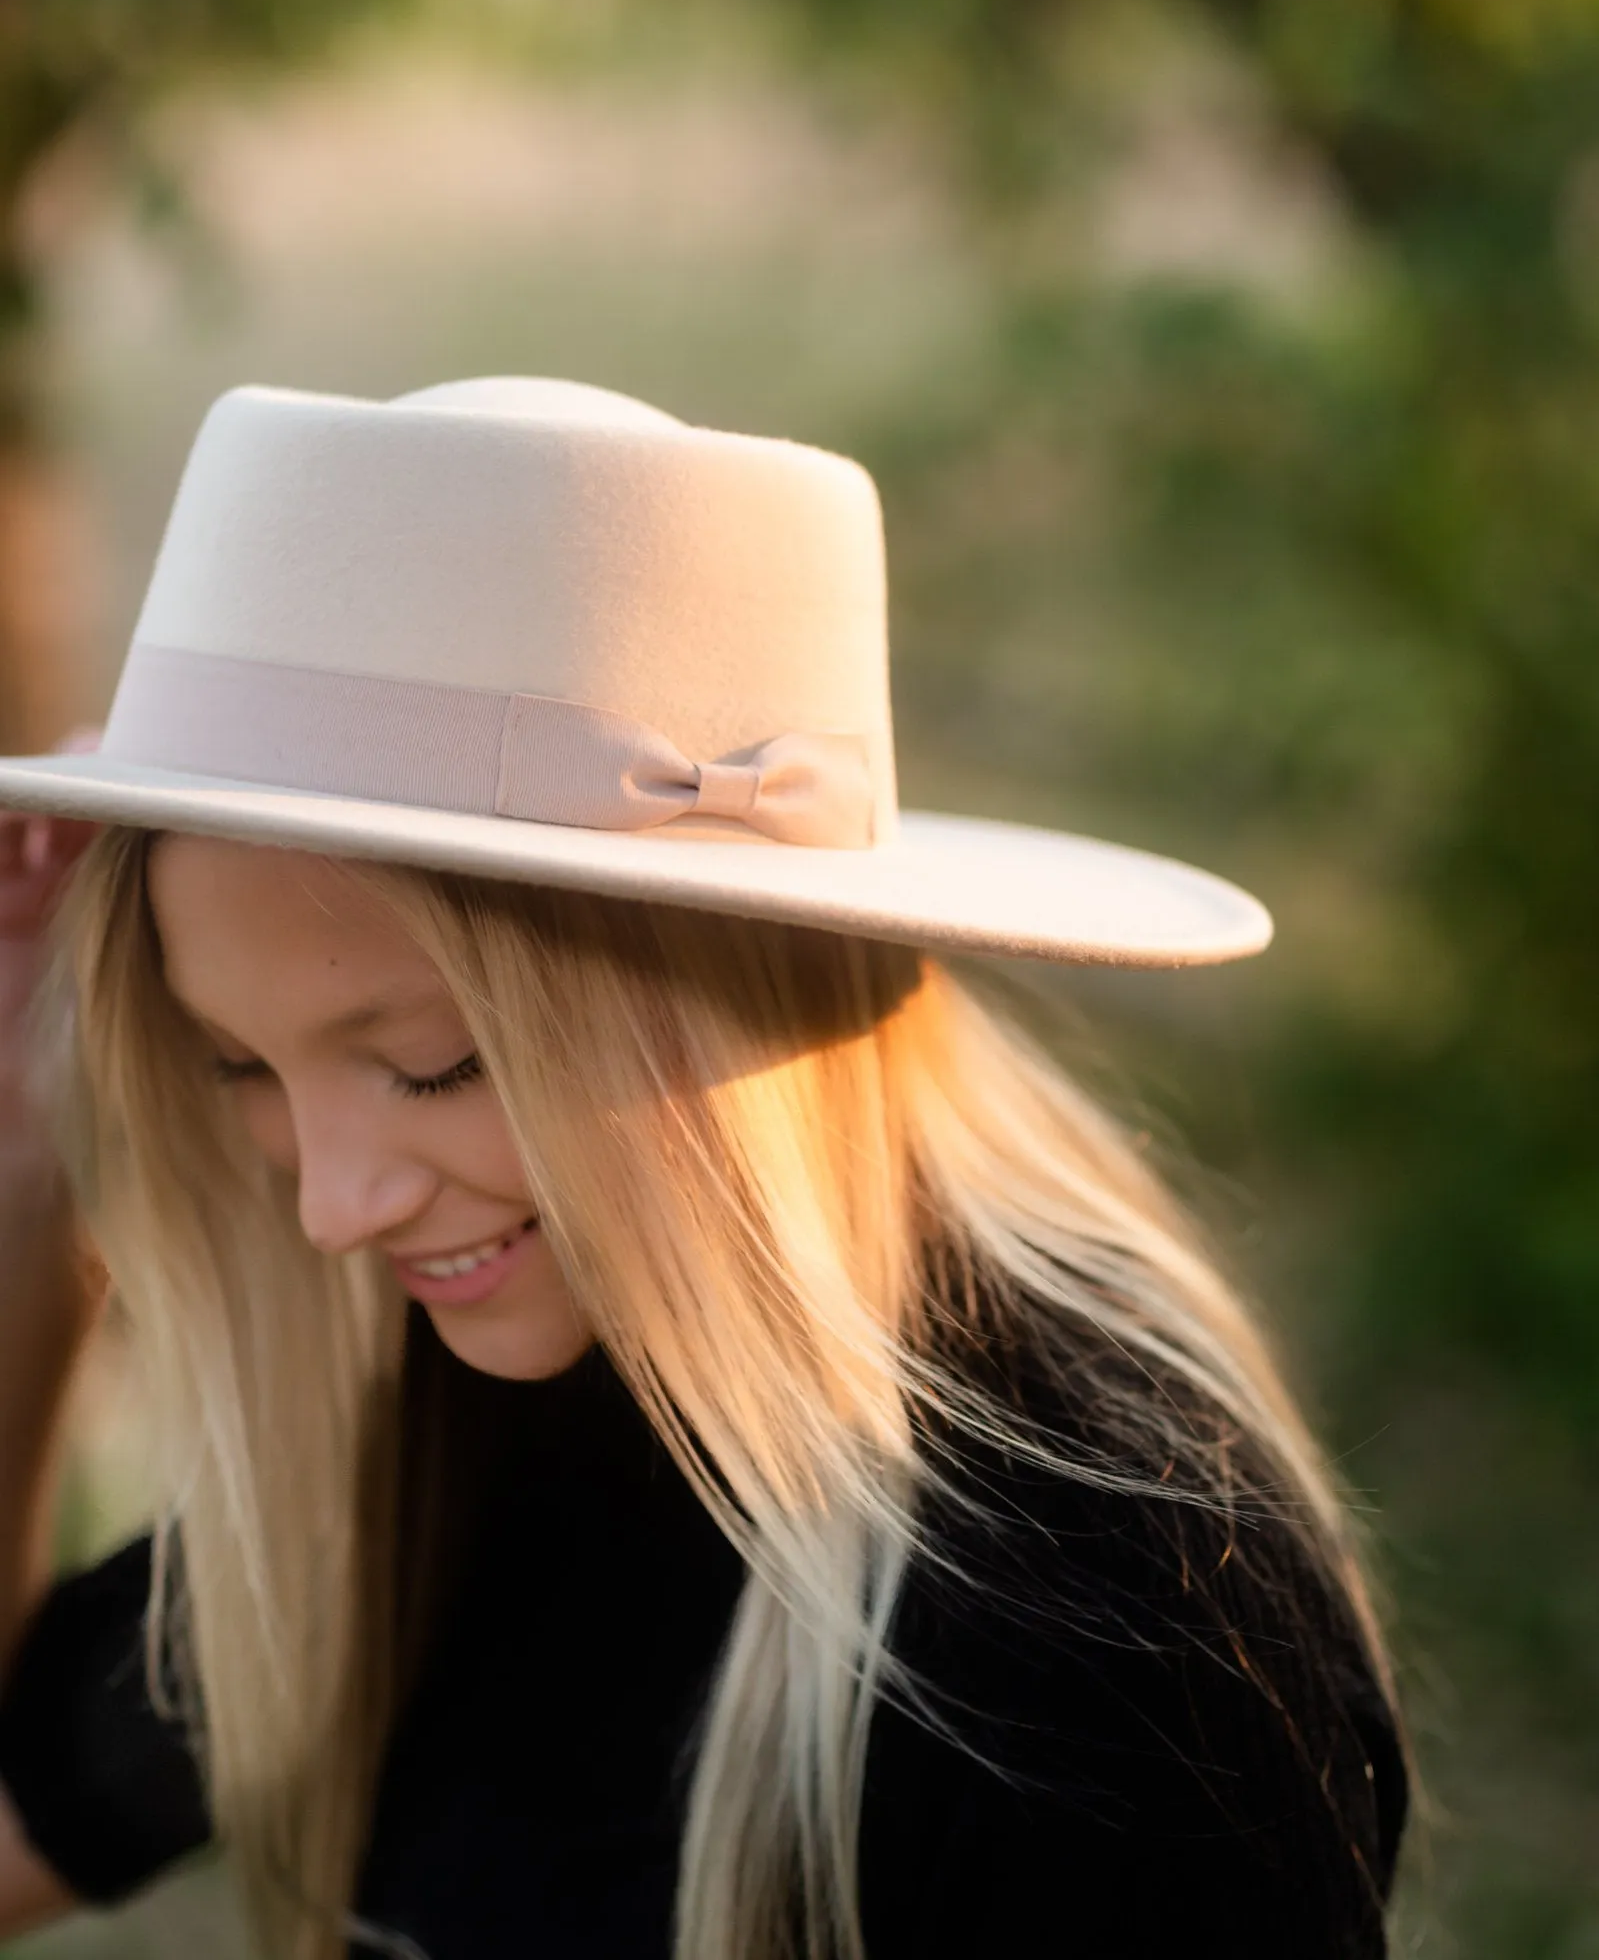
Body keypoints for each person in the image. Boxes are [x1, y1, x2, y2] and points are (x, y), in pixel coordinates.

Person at [0, 378, 1407, 1960]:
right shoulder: (459, 1405)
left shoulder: (1107, 1638)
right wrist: (30, 1148)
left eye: (434, 1063)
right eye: (238, 1064)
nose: (332, 1205)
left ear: (723, 989)